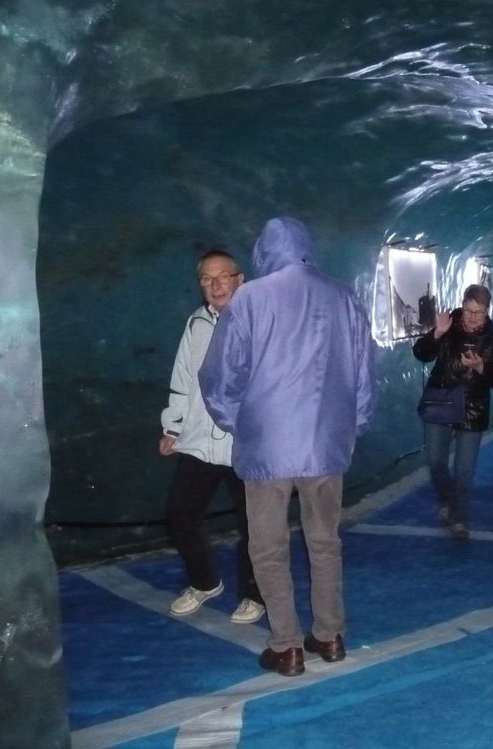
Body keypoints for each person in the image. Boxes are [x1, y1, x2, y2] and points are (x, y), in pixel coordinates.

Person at [199, 217, 375, 677]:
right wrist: (349, 429)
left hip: (268, 448)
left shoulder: (251, 298)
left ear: (264, 250)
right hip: (325, 448)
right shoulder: (344, 297)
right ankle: (330, 635)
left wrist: (240, 423)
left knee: (269, 547)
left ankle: (287, 645)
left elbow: (220, 376)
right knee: (325, 542)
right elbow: (364, 376)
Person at [159, 249, 265, 624]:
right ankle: (205, 582)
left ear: (240, 279)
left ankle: (255, 594)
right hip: (201, 440)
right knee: (179, 513)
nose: (216, 284)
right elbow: (183, 377)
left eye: (223, 276)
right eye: (207, 278)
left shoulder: (261, 319)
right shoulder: (196, 323)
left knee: (254, 523)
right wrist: (173, 426)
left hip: (246, 444)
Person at [412, 284, 493, 539]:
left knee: (464, 469)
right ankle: (448, 500)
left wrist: (481, 368)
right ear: (463, 305)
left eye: (478, 312)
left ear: (488, 310)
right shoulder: (448, 328)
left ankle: (458, 519)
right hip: (441, 402)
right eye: (468, 310)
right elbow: (421, 354)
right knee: (435, 462)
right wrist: (436, 334)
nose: (472, 317)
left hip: (472, 407)